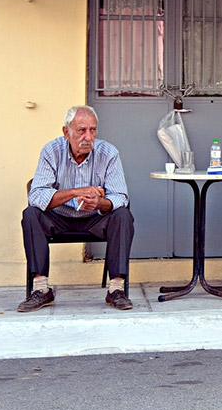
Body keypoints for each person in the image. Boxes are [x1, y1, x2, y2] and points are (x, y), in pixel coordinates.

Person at [19, 105, 135, 312]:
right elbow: (36, 195)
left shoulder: (108, 153)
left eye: (93, 130)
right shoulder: (51, 151)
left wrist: (100, 203)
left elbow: (120, 197)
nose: (88, 137)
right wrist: (75, 192)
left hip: (95, 219)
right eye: (81, 130)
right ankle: (41, 289)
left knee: (123, 215)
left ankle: (116, 289)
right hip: (59, 218)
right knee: (30, 214)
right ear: (66, 132)